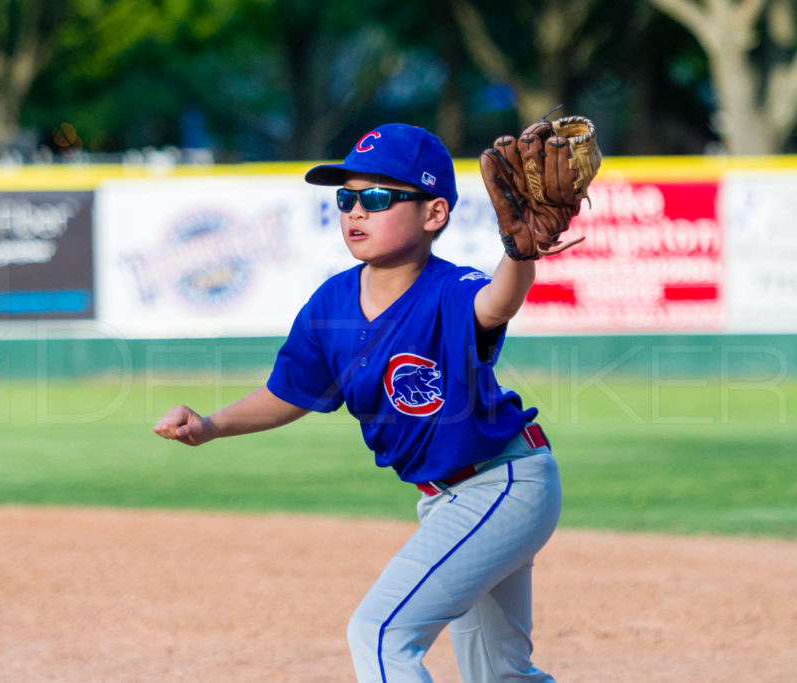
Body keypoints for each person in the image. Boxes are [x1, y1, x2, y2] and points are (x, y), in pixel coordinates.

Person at [154, 123, 562, 682]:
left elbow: (498, 303)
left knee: (380, 634)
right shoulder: (335, 302)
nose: (355, 211)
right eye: (346, 197)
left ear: (434, 214)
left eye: (377, 197)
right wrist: (210, 425)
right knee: (500, 675)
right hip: (453, 498)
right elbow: (288, 392)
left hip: (501, 483)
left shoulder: (449, 289)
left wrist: (519, 251)